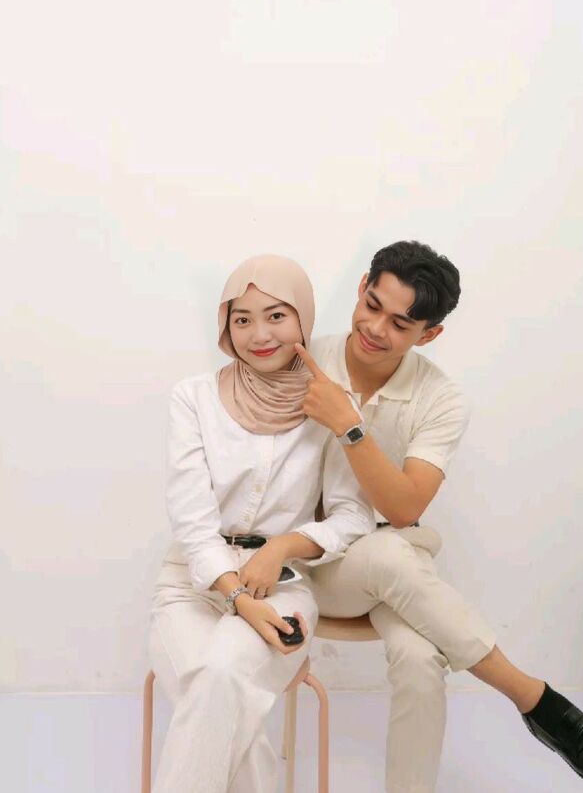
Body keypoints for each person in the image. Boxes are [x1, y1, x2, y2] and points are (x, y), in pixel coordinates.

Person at [293, 240, 583, 793]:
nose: (376, 328)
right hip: (308, 567)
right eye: (373, 305)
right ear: (362, 287)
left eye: (401, 324)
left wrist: (348, 424)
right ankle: (540, 704)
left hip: (393, 567)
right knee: (389, 553)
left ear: (429, 335)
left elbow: (404, 507)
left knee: (420, 658)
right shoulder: (302, 360)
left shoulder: (441, 398)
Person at [148, 254, 374, 793]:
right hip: (189, 585)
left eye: (276, 315)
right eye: (242, 319)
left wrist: (283, 547)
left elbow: (354, 516)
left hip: (283, 587)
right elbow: (191, 517)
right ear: (225, 327)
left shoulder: (333, 406)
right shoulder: (194, 398)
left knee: (219, 677)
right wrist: (236, 596)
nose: (259, 334)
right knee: (221, 696)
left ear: (303, 320)